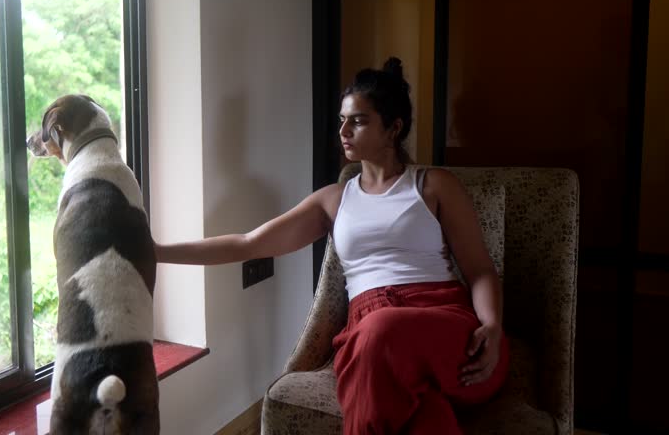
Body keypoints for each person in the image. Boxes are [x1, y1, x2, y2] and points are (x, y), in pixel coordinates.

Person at [154, 57, 509, 434]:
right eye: (342, 120)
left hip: (443, 328)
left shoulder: (434, 185)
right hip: (371, 338)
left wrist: (492, 324)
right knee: (426, 416)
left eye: (358, 120)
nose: (343, 130)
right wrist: (157, 252)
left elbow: (480, 270)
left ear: (393, 128)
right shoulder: (334, 200)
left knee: (381, 331)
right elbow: (248, 244)